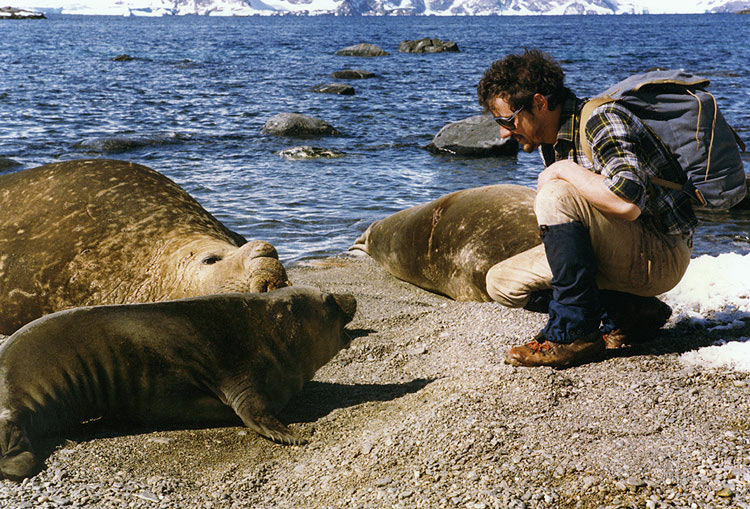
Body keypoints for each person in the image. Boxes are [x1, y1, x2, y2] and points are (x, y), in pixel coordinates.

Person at [476, 49, 696, 368]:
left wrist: (563, 169)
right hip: (626, 249)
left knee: (555, 195)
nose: (503, 132)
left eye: (508, 120)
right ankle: (629, 313)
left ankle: (573, 333)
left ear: (540, 102)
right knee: (501, 283)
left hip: (662, 252)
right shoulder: (553, 139)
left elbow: (627, 201)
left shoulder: (601, 118)